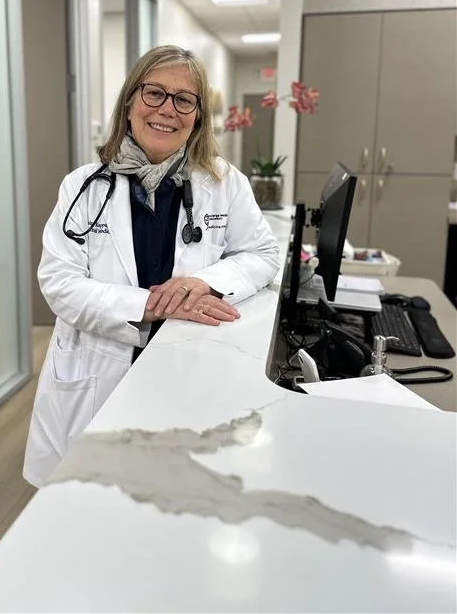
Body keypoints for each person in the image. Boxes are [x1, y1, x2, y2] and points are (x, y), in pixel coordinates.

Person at [23, 45, 280, 487]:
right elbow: (58, 283)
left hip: (187, 364)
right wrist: (152, 305)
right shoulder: (82, 186)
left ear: (198, 115)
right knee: (91, 501)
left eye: (184, 99)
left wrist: (203, 283)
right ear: (130, 101)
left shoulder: (223, 182)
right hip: (98, 370)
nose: (167, 110)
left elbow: (262, 254)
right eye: (154, 93)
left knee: (173, 489)